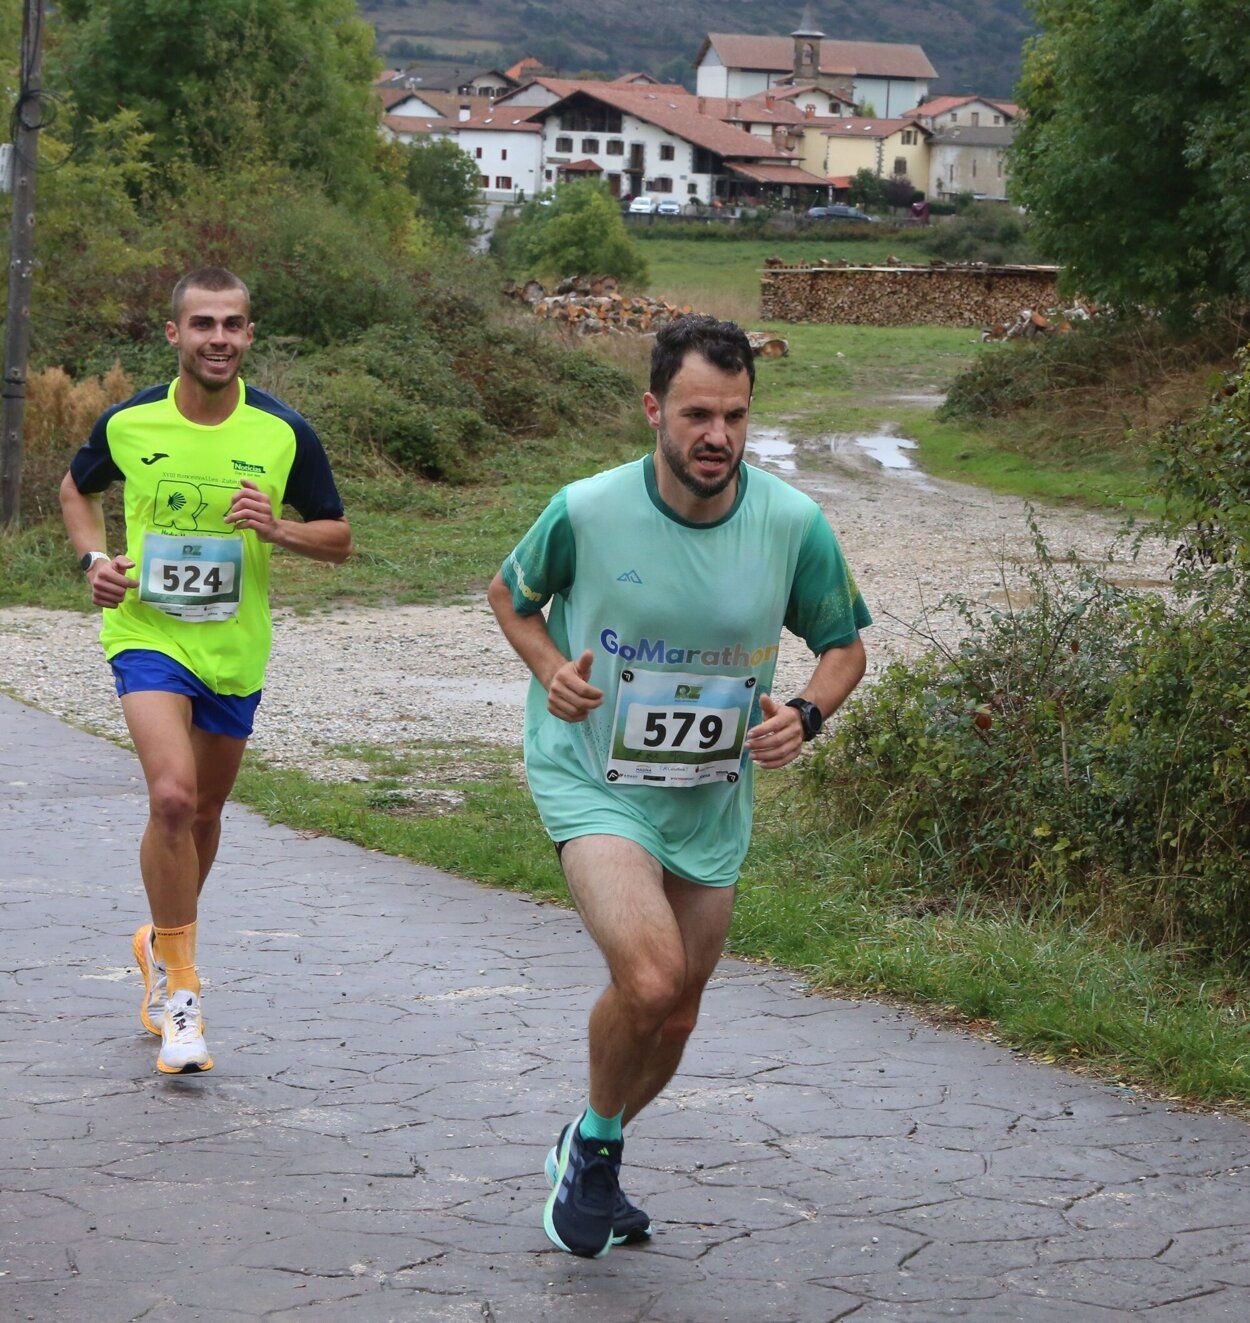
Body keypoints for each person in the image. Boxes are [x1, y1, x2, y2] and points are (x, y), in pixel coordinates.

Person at [488, 315, 870, 1258]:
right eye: (699, 413)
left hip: (710, 795)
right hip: (595, 779)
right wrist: (549, 670)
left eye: (736, 416)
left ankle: (592, 1135)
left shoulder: (791, 522)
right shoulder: (587, 508)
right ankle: (595, 1158)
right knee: (650, 977)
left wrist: (807, 714)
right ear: (654, 408)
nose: (718, 437)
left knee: (681, 1012)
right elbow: (511, 595)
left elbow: (843, 647)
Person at [59, 267, 351, 1075]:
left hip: (233, 648)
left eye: (233, 324)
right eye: (202, 324)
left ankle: (160, 935)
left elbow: (338, 535)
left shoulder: (283, 432)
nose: (218, 338)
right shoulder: (129, 422)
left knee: (208, 811)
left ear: (250, 335)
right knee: (173, 796)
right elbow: (74, 491)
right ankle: (182, 996)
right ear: (174, 334)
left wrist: (278, 530)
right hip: (148, 633)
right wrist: (93, 560)